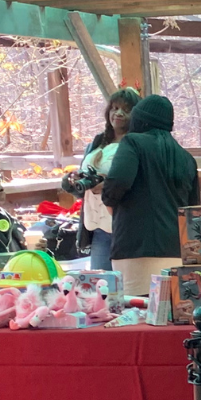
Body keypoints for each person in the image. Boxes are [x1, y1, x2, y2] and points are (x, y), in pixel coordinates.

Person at [101, 93, 200, 297]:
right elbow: (193, 209)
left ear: (139, 119)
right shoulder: (187, 157)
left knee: (136, 311)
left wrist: (108, 201)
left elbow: (118, 182)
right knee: (171, 311)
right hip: (176, 250)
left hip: (134, 247)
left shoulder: (133, 142)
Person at [72, 88, 140, 271]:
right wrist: (74, 182)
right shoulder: (98, 142)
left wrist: (108, 185)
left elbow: (140, 183)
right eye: (114, 108)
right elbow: (83, 186)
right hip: (97, 227)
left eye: (126, 110)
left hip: (125, 227)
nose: (118, 113)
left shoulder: (138, 144)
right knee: (100, 283)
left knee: (126, 284)